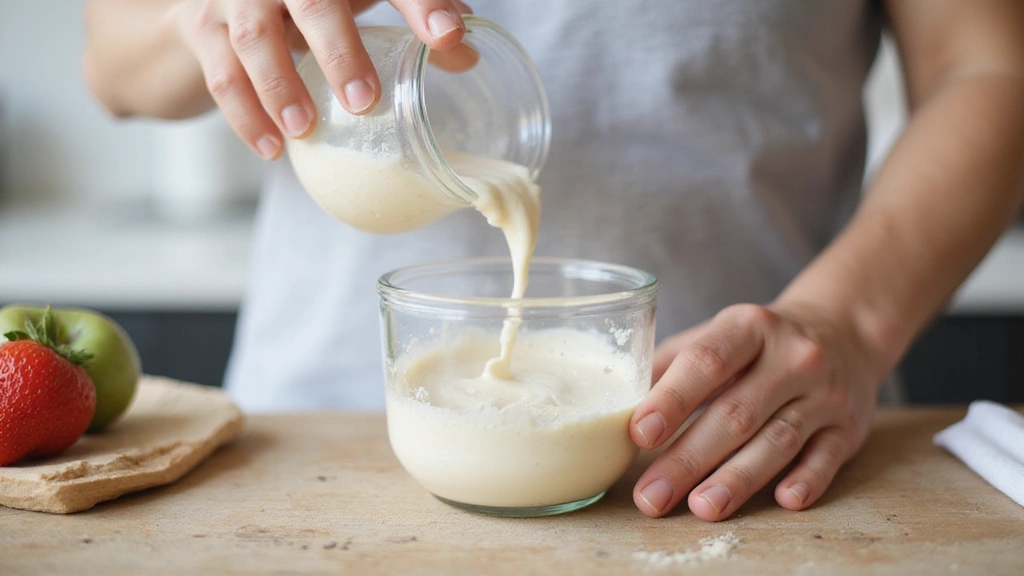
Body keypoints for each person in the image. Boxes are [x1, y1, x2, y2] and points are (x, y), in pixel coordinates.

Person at [82, 0, 1024, 522]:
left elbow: (991, 66)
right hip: (305, 454)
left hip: (750, 449)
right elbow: (113, 59)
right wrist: (202, 20)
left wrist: (849, 323)